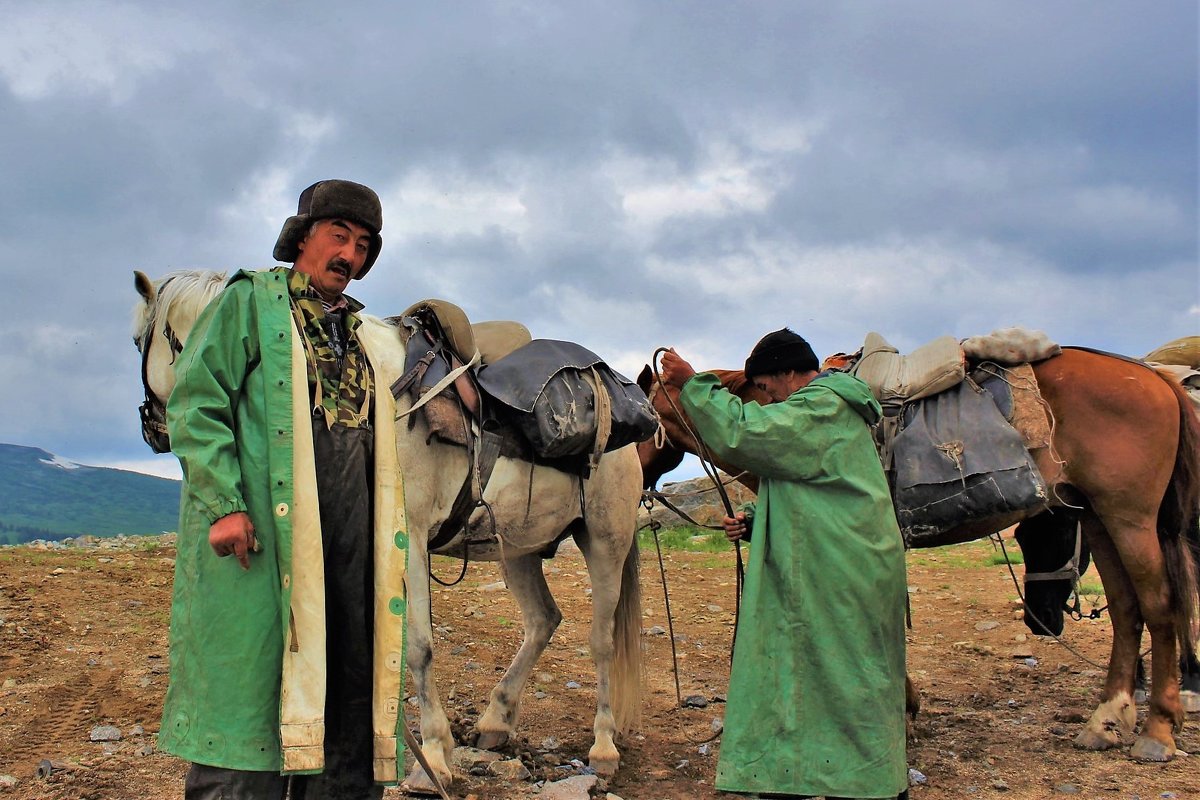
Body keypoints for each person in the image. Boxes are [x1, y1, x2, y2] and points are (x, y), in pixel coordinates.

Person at [161, 180, 408, 799]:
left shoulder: (367, 336)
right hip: (267, 538)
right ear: (303, 239)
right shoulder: (251, 302)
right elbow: (197, 404)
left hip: (351, 547)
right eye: (338, 236)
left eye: (362, 245)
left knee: (348, 688)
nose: (349, 254)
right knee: (253, 694)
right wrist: (224, 505)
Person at [660, 329, 908, 800]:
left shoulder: (822, 407)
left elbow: (745, 434)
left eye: (769, 388)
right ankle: (807, 774)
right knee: (815, 670)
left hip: (841, 570)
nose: (768, 398)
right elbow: (816, 483)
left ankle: (864, 783)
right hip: (835, 560)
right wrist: (756, 520)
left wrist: (695, 384)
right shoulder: (823, 411)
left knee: (846, 676)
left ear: (789, 373)